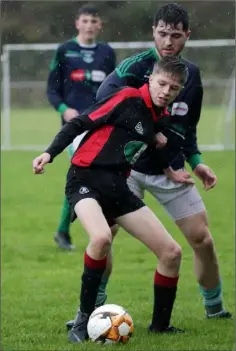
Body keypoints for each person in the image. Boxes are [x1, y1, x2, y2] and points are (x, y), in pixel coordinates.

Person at [33, 56, 191, 342]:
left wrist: (172, 169)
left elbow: (154, 146)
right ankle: (82, 321)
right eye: (162, 83)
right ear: (150, 80)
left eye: (174, 88)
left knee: (172, 253)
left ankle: (160, 327)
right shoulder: (127, 97)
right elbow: (80, 121)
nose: (166, 91)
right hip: (85, 179)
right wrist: (49, 153)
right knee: (102, 238)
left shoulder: (161, 118)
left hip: (118, 189)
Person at [93, 3, 231, 320]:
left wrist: (196, 162)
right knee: (103, 236)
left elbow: (187, 129)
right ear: (154, 31)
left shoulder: (191, 76)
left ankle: (214, 307)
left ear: (187, 36)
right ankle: (92, 307)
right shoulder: (133, 68)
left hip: (172, 170)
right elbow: (103, 104)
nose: (169, 42)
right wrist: (146, 130)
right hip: (126, 168)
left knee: (202, 239)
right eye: (163, 34)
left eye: (176, 36)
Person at [47, 4, 116, 251]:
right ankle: (74, 231)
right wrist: (64, 109)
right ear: (77, 23)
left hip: (101, 125)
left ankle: (70, 230)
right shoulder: (65, 51)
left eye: (93, 21)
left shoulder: (107, 52)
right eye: (85, 20)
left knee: (88, 176)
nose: (89, 25)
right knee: (82, 173)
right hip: (74, 128)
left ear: (100, 25)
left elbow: (113, 89)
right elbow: (52, 89)